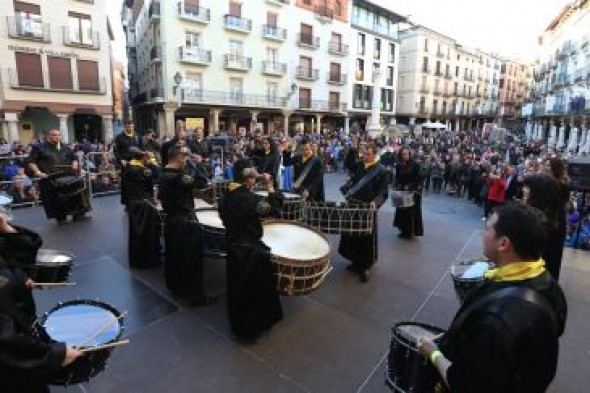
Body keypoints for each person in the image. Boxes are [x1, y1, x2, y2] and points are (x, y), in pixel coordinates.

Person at [417, 203, 567, 393]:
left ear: (503, 243)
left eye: (487, 228)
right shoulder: (551, 286)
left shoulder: (495, 323)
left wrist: (433, 352)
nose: (483, 233)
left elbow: (464, 384)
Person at [0, 209, 83, 393]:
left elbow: (16, 258)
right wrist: (53, 355)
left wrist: (6, 229)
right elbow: (5, 340)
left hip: (22, 334)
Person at [218, 159, 283, 340]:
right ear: (248, 179)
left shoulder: (226, 193)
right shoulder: (248, 199)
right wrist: (270, 186)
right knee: (253, 291)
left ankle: (238, 324)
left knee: (238, 288)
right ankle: (251, 328)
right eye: (253, 176)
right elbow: (275, 209)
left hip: (233, 246)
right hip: (250, 252)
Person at [158, 144, 217, 306]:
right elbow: (203, 182)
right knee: (191, 260)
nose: (186, 160)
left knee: (175, 256)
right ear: (178, 157)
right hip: (186, 222)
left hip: (172, 221)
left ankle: (176, 286)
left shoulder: (164, 174)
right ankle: (195, 296)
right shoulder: (178, 177)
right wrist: (198, 164)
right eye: (185, 157)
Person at [338, 143, 389, 283]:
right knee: (352, 234)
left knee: (366, 238)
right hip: (353, 205)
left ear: (374, 154)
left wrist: (376, 203)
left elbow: (383, 192)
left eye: (368, 154)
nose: (365, 156)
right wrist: (354, 148)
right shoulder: (360, 165)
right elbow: (348, 163)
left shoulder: (381, 171)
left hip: (367, 208)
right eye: (364, 153)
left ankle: (365, 265)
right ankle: (354, 261)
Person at [27, 129, 91, 223]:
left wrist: (75, 163)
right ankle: (61, 217)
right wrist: (38, 172)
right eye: (54, 135)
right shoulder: (39, 147)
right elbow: (31, 162)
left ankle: (78, 214)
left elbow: (74, 157)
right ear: (49, 136)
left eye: (58, 135)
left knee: (76, 194)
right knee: (56, 201)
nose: (57, 137)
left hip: (67, 176)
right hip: (50, 177)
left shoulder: (65, 147)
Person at [523, 173, 566, 282]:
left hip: (531, 278)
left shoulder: (537, 219)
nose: (524, 190)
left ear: (538, 192)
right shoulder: (556, 212)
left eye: (527, 187)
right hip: (545, 278)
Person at [122, 148, 160, 269]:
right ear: (142, 157)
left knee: (136, 234)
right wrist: (153, 160)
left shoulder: (128, 168)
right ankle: (147, 260)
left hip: (133, 204)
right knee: (146, 233)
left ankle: (136, 259)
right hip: (144, 205)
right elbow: (158, 175)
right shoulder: (141, 170)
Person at [542, 157, 570, 281]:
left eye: (548, 165)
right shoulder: (544, 182)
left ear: (555, 168)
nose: (545, 167)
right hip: (544, 223)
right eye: (545, 164)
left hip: (555, 225)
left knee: (552, 257)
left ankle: (550, 285)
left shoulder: (562, 186)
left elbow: (556, 205)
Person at [393, 147, 423, 239]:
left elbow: (419, 178)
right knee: (402, 211)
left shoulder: (415, 165)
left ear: (410, 154)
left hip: (413, 191)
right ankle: (403, 230)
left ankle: (411, 231)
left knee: (411, 212)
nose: (405, 156)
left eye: (407, 154)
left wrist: (411, 186)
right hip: (402, 192)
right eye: (403, 154)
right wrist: (398, 185)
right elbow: (397, 178)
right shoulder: (398, 165)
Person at [114, 120, 143, 206]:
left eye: (131, 126)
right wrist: (120, 160)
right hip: (126, 163)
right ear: (125, 127)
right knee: (127, 183)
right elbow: (116, 151)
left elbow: (142, 149)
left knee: (137, 182)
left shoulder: (138, 136)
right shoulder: (119, 137)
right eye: (128, 126)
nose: (130, 128)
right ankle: (127, 202)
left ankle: (137, 199)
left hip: (137, 163)